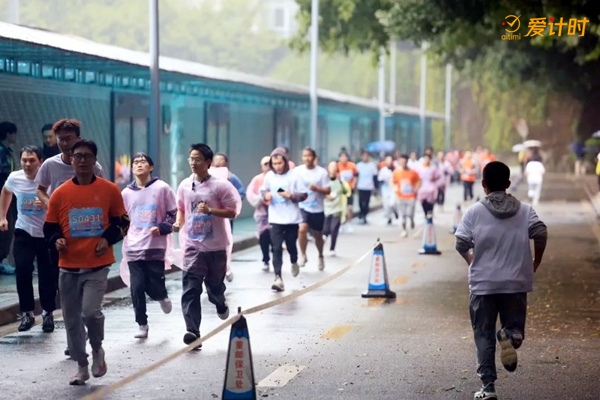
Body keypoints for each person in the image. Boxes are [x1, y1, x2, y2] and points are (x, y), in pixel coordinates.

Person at [454, 161, 548, 400]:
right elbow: (540, 231)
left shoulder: (474, 212)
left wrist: (471, 259)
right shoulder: (525, 210)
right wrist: (536, 260)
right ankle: (511, 334)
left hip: (483, 283)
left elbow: (461, 242)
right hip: (515, 283)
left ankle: (488, 388)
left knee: (483, 334)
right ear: (507, 184)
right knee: (514, 326)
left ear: (483, 184)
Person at [44, 139, 130, 385]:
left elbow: (123, 222)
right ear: (71, 159)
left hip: (97, 264)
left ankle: (97, 349)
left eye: (87, 156)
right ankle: (82, 366)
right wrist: (56, 239)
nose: (82, 160)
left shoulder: (109, 190)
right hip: (68, 265)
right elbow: (49, 227)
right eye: (77, 156)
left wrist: (107, 238)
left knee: (91, 313)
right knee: (71, 321)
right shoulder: (60, 193)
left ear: (94, 160)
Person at [35, 118, 105, 357]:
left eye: (68, 138)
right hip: (60, 235)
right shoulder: (50, 166)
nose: (64, 143)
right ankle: (75, 341)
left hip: (87, 235)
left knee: (87, 299)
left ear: (78, 138)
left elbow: (102, 195)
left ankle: (88, 337)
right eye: (60, 139)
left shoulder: (92, 166)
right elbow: (41, 190)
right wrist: (53, 206)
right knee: (66, 294)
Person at [172, 144, 241, 348]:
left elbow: (233, 211)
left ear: (208, 162)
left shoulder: (221, 186)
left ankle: (219, 302)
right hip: (193, 245)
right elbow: (181, 208)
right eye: (191, 159)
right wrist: (178, 222)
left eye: (198, 159)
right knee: (191, 289)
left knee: (214, 288)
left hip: (216, 247)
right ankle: (193, 332)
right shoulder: (185, 185)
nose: (193, 163)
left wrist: (211, 210)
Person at [0, 146, 56, 332]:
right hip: (23, 231)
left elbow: (62, 201)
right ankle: (27, 313)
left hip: (46, 233)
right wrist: (3, 216)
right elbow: (6, 192)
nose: (27, 164)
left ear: (40, 161)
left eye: (32, 160)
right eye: (24, 160)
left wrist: (48, 201)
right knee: (22, 269)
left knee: (47, 274)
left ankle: (48, 312)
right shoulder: (15, 177)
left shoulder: (50, 179)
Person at [121, 152, 175, 339]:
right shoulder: (126, 193)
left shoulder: (162, 188)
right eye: (135, 162)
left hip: (155, 244)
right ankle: (142, 324)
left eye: (143, 162)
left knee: (154, 282)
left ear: (151, 167)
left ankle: (161, 296)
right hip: (133, 245)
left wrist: (161, 227)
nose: (139, 164)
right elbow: (121, 219)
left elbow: (173, 214)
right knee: (136, 286)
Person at [261, 147, 308, 291]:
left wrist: (291, 196)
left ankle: (294, 261)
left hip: (292, 219)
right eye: (274, 164)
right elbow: (264, 190)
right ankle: (278, 278)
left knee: (291, 245)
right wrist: (266, 195)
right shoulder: (269, 176)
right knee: (276, 248)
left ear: (285, 162)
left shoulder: (294, 176)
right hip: (275, 218)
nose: (277, 167)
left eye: (279, 163)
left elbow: (304, 195)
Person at [295, 147, 330, 270]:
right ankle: (303, 255)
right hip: (302, 206)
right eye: (305, 156)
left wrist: (317, 189)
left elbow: (328, 190)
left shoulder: (321, 172)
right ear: (302, 158)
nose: (307, 158)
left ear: (314, 158)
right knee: (302, 229)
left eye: (309, 156)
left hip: (317, 208)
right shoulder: (297, 171)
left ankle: (320, 255)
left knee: (317, 235)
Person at [246, 156, 272, 272]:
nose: (268, 166)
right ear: (261, 167)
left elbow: (283, 191)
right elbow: (250, 194)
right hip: (262, 213)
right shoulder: (257, 180)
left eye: (269, 163)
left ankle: (276, 258)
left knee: (275, 237)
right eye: (265, 164)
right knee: (263, 236)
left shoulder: (276, 179)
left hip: (276, 213)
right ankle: (265, 258)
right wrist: (260, 198)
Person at [0, 121, 17, 274]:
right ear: (9, 134)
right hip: (3, 195)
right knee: (4, 228)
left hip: (8, 194)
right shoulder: (2, 152)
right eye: (13, 133)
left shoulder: (6, 152)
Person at [323, 161, 350, 256]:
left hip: (338, 208)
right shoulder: (324, 180)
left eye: (335, 166)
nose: (333, 169)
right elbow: (321, 191)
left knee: (334, 228)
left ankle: (332, 248)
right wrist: (327, 195)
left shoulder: (340, 180)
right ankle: (324, 239)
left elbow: (346, 191)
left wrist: (341, 182)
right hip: (326, 208)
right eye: (331, 166)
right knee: (326, 229)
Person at [392, 154, 421, 237]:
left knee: (410, 214)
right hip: (401, 197)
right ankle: (404, 230)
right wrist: (394, 188)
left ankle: (411, 219)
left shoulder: (413, 172)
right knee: (403, 215)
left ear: (407, 162)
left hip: (411, 197)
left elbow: (419, 181)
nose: (403, 163)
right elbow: (392, 182)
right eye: (401, 161)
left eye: (404, 161)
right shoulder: (396, 172)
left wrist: (416, 189)